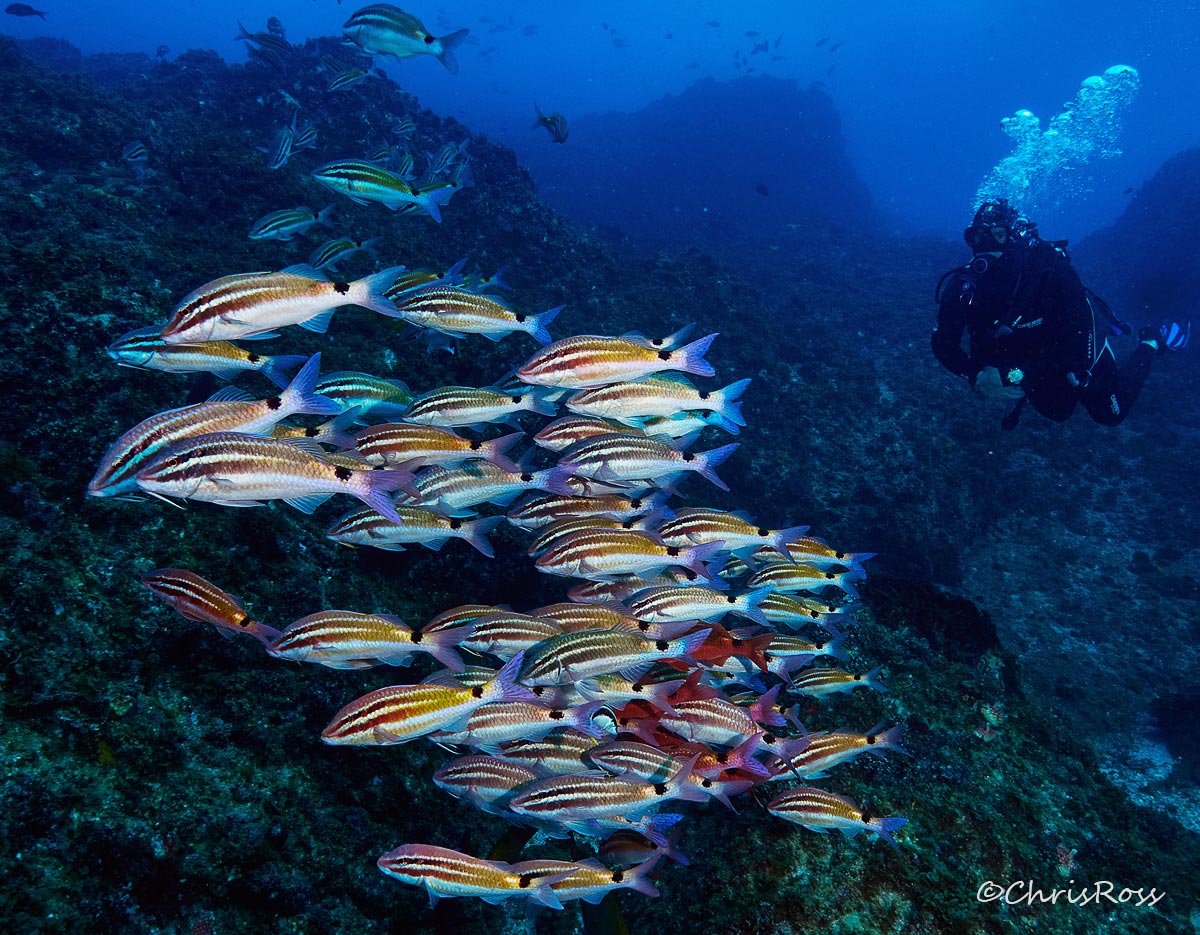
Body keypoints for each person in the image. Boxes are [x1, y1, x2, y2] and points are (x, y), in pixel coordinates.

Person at [932, 199, 1189, 429]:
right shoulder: (964, 288)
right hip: (1028, 352)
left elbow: (1075, 349)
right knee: (1056, 411)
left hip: (1073, 340)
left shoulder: (1052, 273)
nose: (986, 246)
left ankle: (1151, 340)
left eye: (997, 235)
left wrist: (1010, 374)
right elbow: (943, 344)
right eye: (977, 238)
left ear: (1012, 240)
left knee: (1110, 414)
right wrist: (974, 375)